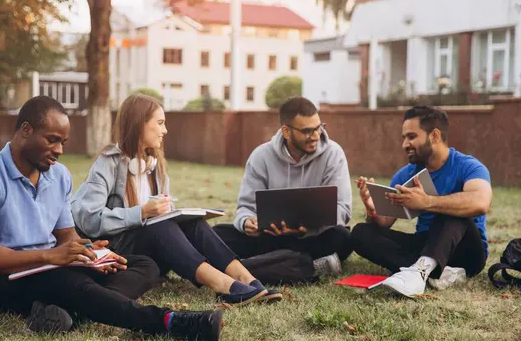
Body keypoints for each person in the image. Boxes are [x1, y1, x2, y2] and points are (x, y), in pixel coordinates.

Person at [0, 96, 223, 341]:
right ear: (26, 130)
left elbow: (66, 236)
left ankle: (68, 312)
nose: (59, 150)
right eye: (52, 140)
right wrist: (50, 257)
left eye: (63, 142)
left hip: (50, 266)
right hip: (1, 281)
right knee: (70, 283)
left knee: (144, 265)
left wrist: (93, 254)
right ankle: (167, 321)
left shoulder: (57, 176)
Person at [71, 94, 281, 305]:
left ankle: (249, 281)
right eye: (160, 123)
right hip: (123, 253)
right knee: (157, 227)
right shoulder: (109, 163)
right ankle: (225, 286)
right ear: (139, 124)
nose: (165, 131)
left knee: (193, 224)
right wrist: (142, 212)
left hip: (157, 250)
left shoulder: (155, 164)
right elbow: (90, 218)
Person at [352, 106, 492, 297]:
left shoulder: (468, 166)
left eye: (411, 137)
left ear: (434, 136)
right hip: (425, 244)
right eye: (403, 138)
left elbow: (481, 202)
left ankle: (419, 273)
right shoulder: (405, 174)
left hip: (466, 250)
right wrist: (372, 210)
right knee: (361, 232)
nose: (404, 144)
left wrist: (427, 202)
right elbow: (384, 223)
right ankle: (432, 271)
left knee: (451, 211)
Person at [213, 97, 353, 283]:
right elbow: (245, 207)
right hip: (269, 238)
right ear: (286, 131)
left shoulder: (333, 154)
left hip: (312, 238)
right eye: (307, 131)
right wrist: (246, 222)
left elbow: (343, 210)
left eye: (319, 127)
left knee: (343, 237)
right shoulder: (261, 156)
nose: (316, 136)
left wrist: (307, 227)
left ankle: (249, 267)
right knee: (218, 234)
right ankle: (304, 266)